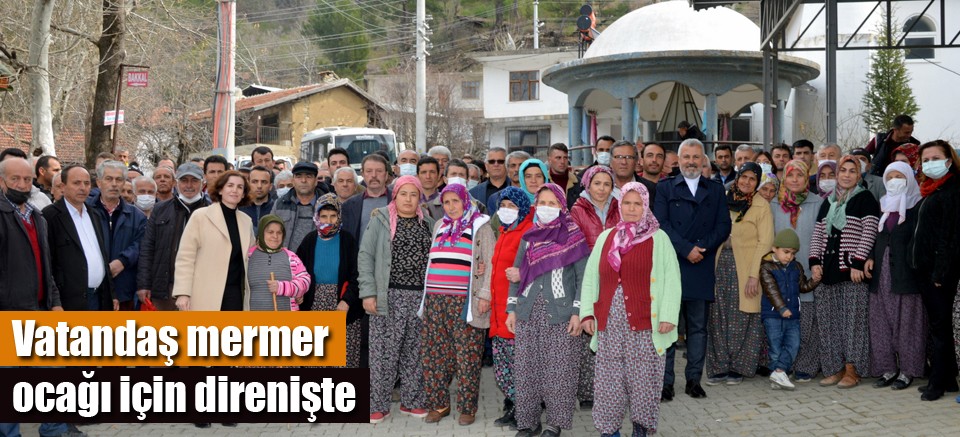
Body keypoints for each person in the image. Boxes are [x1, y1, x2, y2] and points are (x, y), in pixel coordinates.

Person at [580, 182, 681, 437]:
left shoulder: (659, 238)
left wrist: (668, 315)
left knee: (644, 382)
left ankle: (640, 428)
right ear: (620, 205)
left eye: (638, 203)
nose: (632, 208)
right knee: (609, 382)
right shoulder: (606, 237)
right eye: (627, 203)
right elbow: (591, 277)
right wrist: (587, 313)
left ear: (645, 206)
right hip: (610, 324)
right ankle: (609, 430)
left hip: (645, 325)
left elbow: (672, 280)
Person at [506, 184, 590, 437]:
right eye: (542, 202)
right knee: (526, 371)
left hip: (561, 315)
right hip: (528, 312)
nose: (546, 207)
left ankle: (555, 423)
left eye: (552, 203)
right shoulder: (529, 236)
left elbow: (583, 278)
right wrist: (511, 309)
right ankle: (529, 422)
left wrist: (577, 312)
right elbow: (516, 274)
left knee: (559, 372)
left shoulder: (574, 236)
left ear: (562, 207)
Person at [654, 138, 732, 400]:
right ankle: (665, 383)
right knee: (668, 327)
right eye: (686, 157)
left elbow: (723, 226)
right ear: (678, 160)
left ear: (703, 160)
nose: (691, 161)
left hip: (701, 264)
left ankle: (694, 380)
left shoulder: (715, 190)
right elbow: (661, 224)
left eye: (696, 157)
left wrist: (702, 249)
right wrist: (686, 249)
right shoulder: (665, 188)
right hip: (673, 264)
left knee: (698, 328)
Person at [360, 176, 435, 423]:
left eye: (414, 194)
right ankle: (377, 404)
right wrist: (368, 293)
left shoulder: (428, 224)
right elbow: (366, 256)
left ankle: (412, 401)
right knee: (384, 353)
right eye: (404, 194)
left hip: (419, 298)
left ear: (420, 198)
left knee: (415, 351)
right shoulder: (380, 220)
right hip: (388, 296)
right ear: (395, 196)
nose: (408, 199)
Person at [418, 183, 494, 426]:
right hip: (435, 300)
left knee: (467, 356)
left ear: (466, 201)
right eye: (446, 202)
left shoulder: (480, 225)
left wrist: (485, 295)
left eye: (456, 201)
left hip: (465, 302)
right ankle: (439, 404)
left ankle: (467, 407)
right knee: (434, 355)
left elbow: (490, 262)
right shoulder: (439, 226)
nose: (451, 207)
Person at [809, 155, 881, 389]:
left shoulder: (865, 198)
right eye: (843, 170)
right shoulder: (829, 201)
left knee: (853, 323)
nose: (846, 175)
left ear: (859, 175)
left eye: (852, 171)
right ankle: (834, 368)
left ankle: (853, 370)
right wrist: (814, 262)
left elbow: (869, 231)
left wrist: (858, 262)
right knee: (829, 323)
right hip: (827, 272)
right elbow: (818, 233)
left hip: (851, 271)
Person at [706, 162, 774, 385]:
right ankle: (719, 367)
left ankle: (738, 367)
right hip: (720, 264)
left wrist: (754, 275)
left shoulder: (761, 205)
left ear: (757, 182)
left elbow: (765, 242)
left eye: (752, 179)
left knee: (743, 317)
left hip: (746, 267)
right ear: (737, 177)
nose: (746, 182)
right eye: (743, 177)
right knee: (717, 316)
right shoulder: (723, 198)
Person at [864, 161, 925, 391]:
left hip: (906, 274)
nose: (893, 181)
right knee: (880, 322)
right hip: (882, 273)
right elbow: (878, 236)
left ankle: (907, 371)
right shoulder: (884, 205)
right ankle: (887, 369)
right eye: (889, 177)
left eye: (899, 176)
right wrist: (870, 257)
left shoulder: (917, 206)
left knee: (907, 325)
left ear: (909, 179)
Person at [910, 140, 960, 401]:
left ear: (949, 161)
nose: (930, 164)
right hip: (925, 270)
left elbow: (950, 236)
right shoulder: (930, 190)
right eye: (925, 160)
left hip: (939, 273)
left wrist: (940, 272)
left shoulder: (953, 191)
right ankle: (949, 379)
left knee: (940, 329)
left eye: (935, 158)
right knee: (939, 326)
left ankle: (937, 384)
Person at [769, 159, 824, 382]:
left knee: (807, 323)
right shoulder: (774, 203)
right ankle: (783, 365)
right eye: (790, 175)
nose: (794, 180)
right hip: (780, 273)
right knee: (783, 323)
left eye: (799, 175)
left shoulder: (818, 203)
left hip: (807, 271)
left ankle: (806, 366)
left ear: (807, 178)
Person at [296, 194, 364, 367]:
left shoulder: (348, 240)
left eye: (333, 216)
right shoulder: (309, 240)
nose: (328, 221)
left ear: (339, 216)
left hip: (341, 305)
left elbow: (357, 274)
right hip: (314, 303)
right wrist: (299, 291)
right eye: (324, 216)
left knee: (343, 359)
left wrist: (347, 301)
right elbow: (297, 270)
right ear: (317, 217)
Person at [487, 187, 534, 430]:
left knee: (519, 368)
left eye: (512, 206)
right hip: (498, 312)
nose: (506, 210)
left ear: (522, 208)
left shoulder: (528, 232)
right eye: (503, 206)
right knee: (503, 368)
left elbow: (538, 267)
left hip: (516, 311)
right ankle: (515, 406)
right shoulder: (504, 231)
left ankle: (525, 412)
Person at [173, 170, 253, 311]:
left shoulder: (246, 221)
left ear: (243, 194)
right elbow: (185, 258)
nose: (235, 190)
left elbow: (251, 257)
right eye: (230, 185)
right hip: (203, 293)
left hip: (235, 295)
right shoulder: (200, 216)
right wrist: (183, 293)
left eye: (240, 187)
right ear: (220, 190)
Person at [42, 164, 117, 311]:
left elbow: (102, 257)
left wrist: (111, 294)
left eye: (87, 183)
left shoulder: (95, 214)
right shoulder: (50, 216)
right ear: (63, 186)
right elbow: (47, 263)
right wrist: (54, 302)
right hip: (68, 300)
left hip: (100, 297)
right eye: (76, 183)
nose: (83, 188)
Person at [137, 163, 210, 311]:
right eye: (184, 180)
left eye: (194, 180)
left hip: (200, 286)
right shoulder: (160, 209)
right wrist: (144, 284)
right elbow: (147, 248)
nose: (189, 185)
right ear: (176, 183)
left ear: (203, 183)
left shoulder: (212, 211)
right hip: (165, 287)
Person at [758, 229, 820, 390]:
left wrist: (814, 281)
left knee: (794, 344)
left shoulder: (796, 267)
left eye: (792, 253)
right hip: (773, 315)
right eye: (786, 252)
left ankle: (779, 372)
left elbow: (803, 286)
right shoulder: (766, 267)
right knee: (775, 348)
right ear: (774, 248)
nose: (789, 256)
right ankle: (778, 376)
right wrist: (782, 308)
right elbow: (771, 290)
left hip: (792, 315)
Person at [86, 160, 147, 311]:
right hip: (92, 289)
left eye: (119, 179)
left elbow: (141, 243)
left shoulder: (137, 216)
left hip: (124, 288)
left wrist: (123, 261)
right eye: (109, 179)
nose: (114, 184)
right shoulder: (85, 212)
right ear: (99, 183)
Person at [245, 214, 310, 312]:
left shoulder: (291, 257)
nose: (275, 236)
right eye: (270, 232)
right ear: (261, 233)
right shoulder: (248, 256)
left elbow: (305, 281)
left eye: (279, 232)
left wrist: (282, 288)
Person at [271, 161, 329, 249]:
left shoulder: (328, 205)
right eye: (299, 176)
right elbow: (270, 234)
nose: (303, 180)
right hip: (286, 257)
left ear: (316, 181)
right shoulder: (280, 204)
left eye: (308, 176)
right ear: (293, 181)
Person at [342, 154, 391, 244]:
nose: (374, 175)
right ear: (362, 174)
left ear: (386, 175)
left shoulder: (397, 200)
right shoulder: (349, 206)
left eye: (379, 171)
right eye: (369, 171)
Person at [570, 165, 620, 249]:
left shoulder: (619, 208)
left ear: (612, 188)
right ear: (588, 186)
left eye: (607, 184)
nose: (601, 188)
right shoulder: (577, 210)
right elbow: (575, 245)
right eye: (597, 183)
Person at [240, 165, 275, 232]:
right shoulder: (239, 208)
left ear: (270, 186)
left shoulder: (276, 208)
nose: (259, 186)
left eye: (264, 182)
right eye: (255, 181)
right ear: (248, 184)